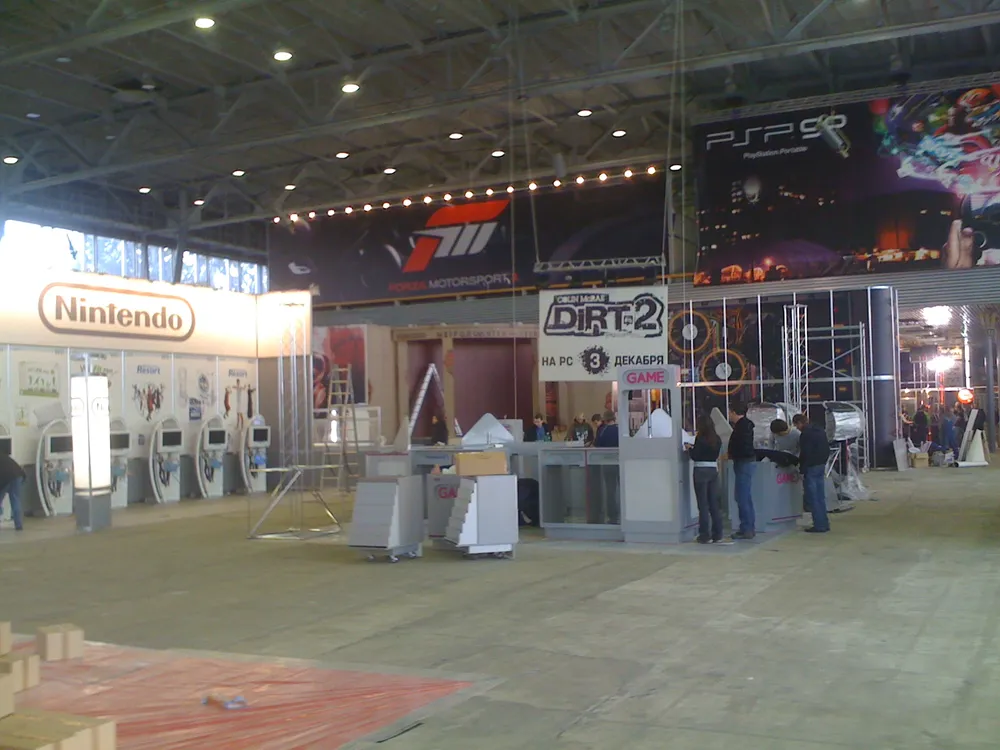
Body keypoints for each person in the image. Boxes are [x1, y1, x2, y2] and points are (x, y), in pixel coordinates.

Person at [688, 414, 722, 544]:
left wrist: (690, 449)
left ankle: (704, 535)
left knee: (703, 504)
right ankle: (717, 534)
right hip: (713, 469)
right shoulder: (717, 439)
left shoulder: (700, 438)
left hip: (700, 471)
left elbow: (696, 456)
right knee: (714, 504)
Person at [799, 408, 831, 533]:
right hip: (820, 465)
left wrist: (802, 469)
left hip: (811, 467)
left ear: (799, 423)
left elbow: (805, 453)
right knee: (820, 497)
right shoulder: (820, 431)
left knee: (813, 498)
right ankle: (824, 523)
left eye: (796, 425)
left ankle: (819, 525)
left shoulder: (805, 434)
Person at [727, 401, 757, 540]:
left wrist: (732, 454)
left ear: (734, 412)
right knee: (744, 496)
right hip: (745, 462)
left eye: (730, 412)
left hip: (743, 462)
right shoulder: (746, 426)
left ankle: (746, 528)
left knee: (742, 497)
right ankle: (748, 527)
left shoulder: (741, 428)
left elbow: (741, 446)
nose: (729, 415)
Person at [0, 454, 25, 532]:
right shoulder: (3, 456)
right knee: (15, 500)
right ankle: (18, 525)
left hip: (6, 478)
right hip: (18, 475)